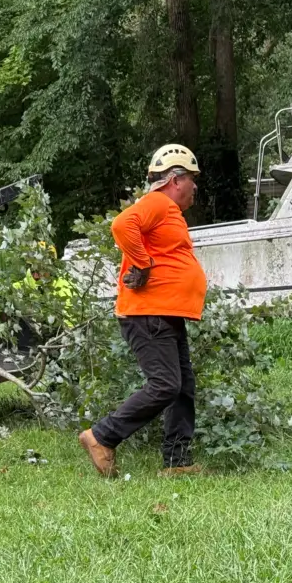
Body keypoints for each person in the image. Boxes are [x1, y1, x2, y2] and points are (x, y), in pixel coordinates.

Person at [78, 144, 208, 478]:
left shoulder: (167, 211)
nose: (195, 187)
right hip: (147, 313)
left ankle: (176, 462)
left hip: (163, 312)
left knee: (182, 387)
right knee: (165, 384)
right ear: (175, 180)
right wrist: (143, 263)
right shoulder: (157, 202)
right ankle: (102, 437)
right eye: (192, 179)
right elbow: (122, 226)